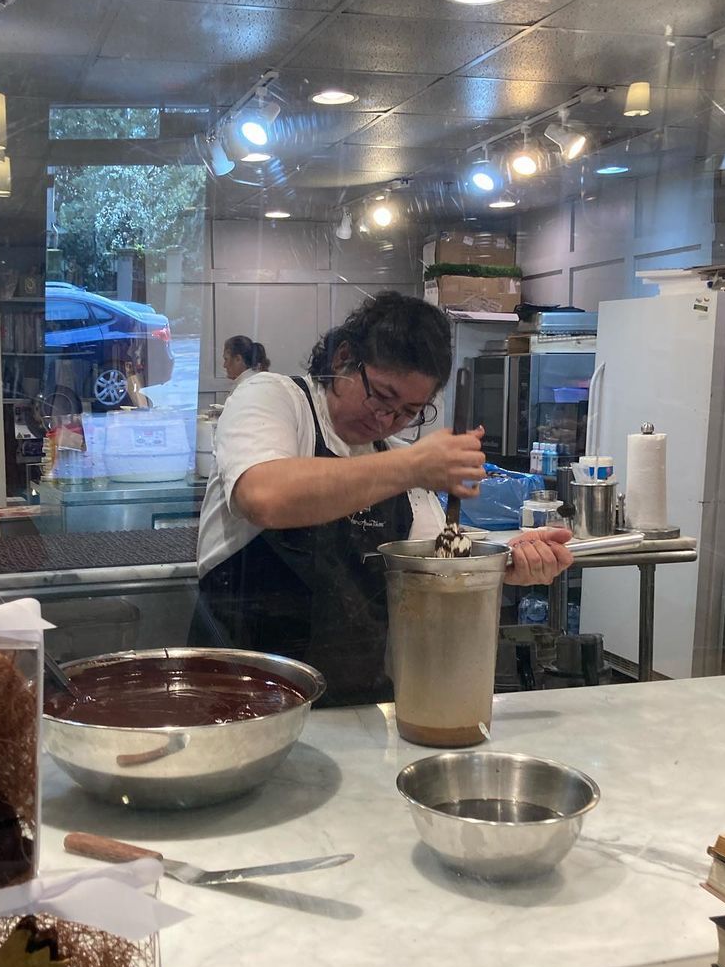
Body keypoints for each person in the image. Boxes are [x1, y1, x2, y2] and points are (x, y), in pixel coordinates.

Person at [192, 292, 574, 706]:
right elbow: (263, 495)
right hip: (236, 701)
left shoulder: (393, 460)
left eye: (410, 410)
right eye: (382, 396)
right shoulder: (276, 399)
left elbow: (439, 567)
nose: (386, 419)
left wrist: (505, 563)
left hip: (351, 709)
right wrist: (413, 465)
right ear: (342, 359)